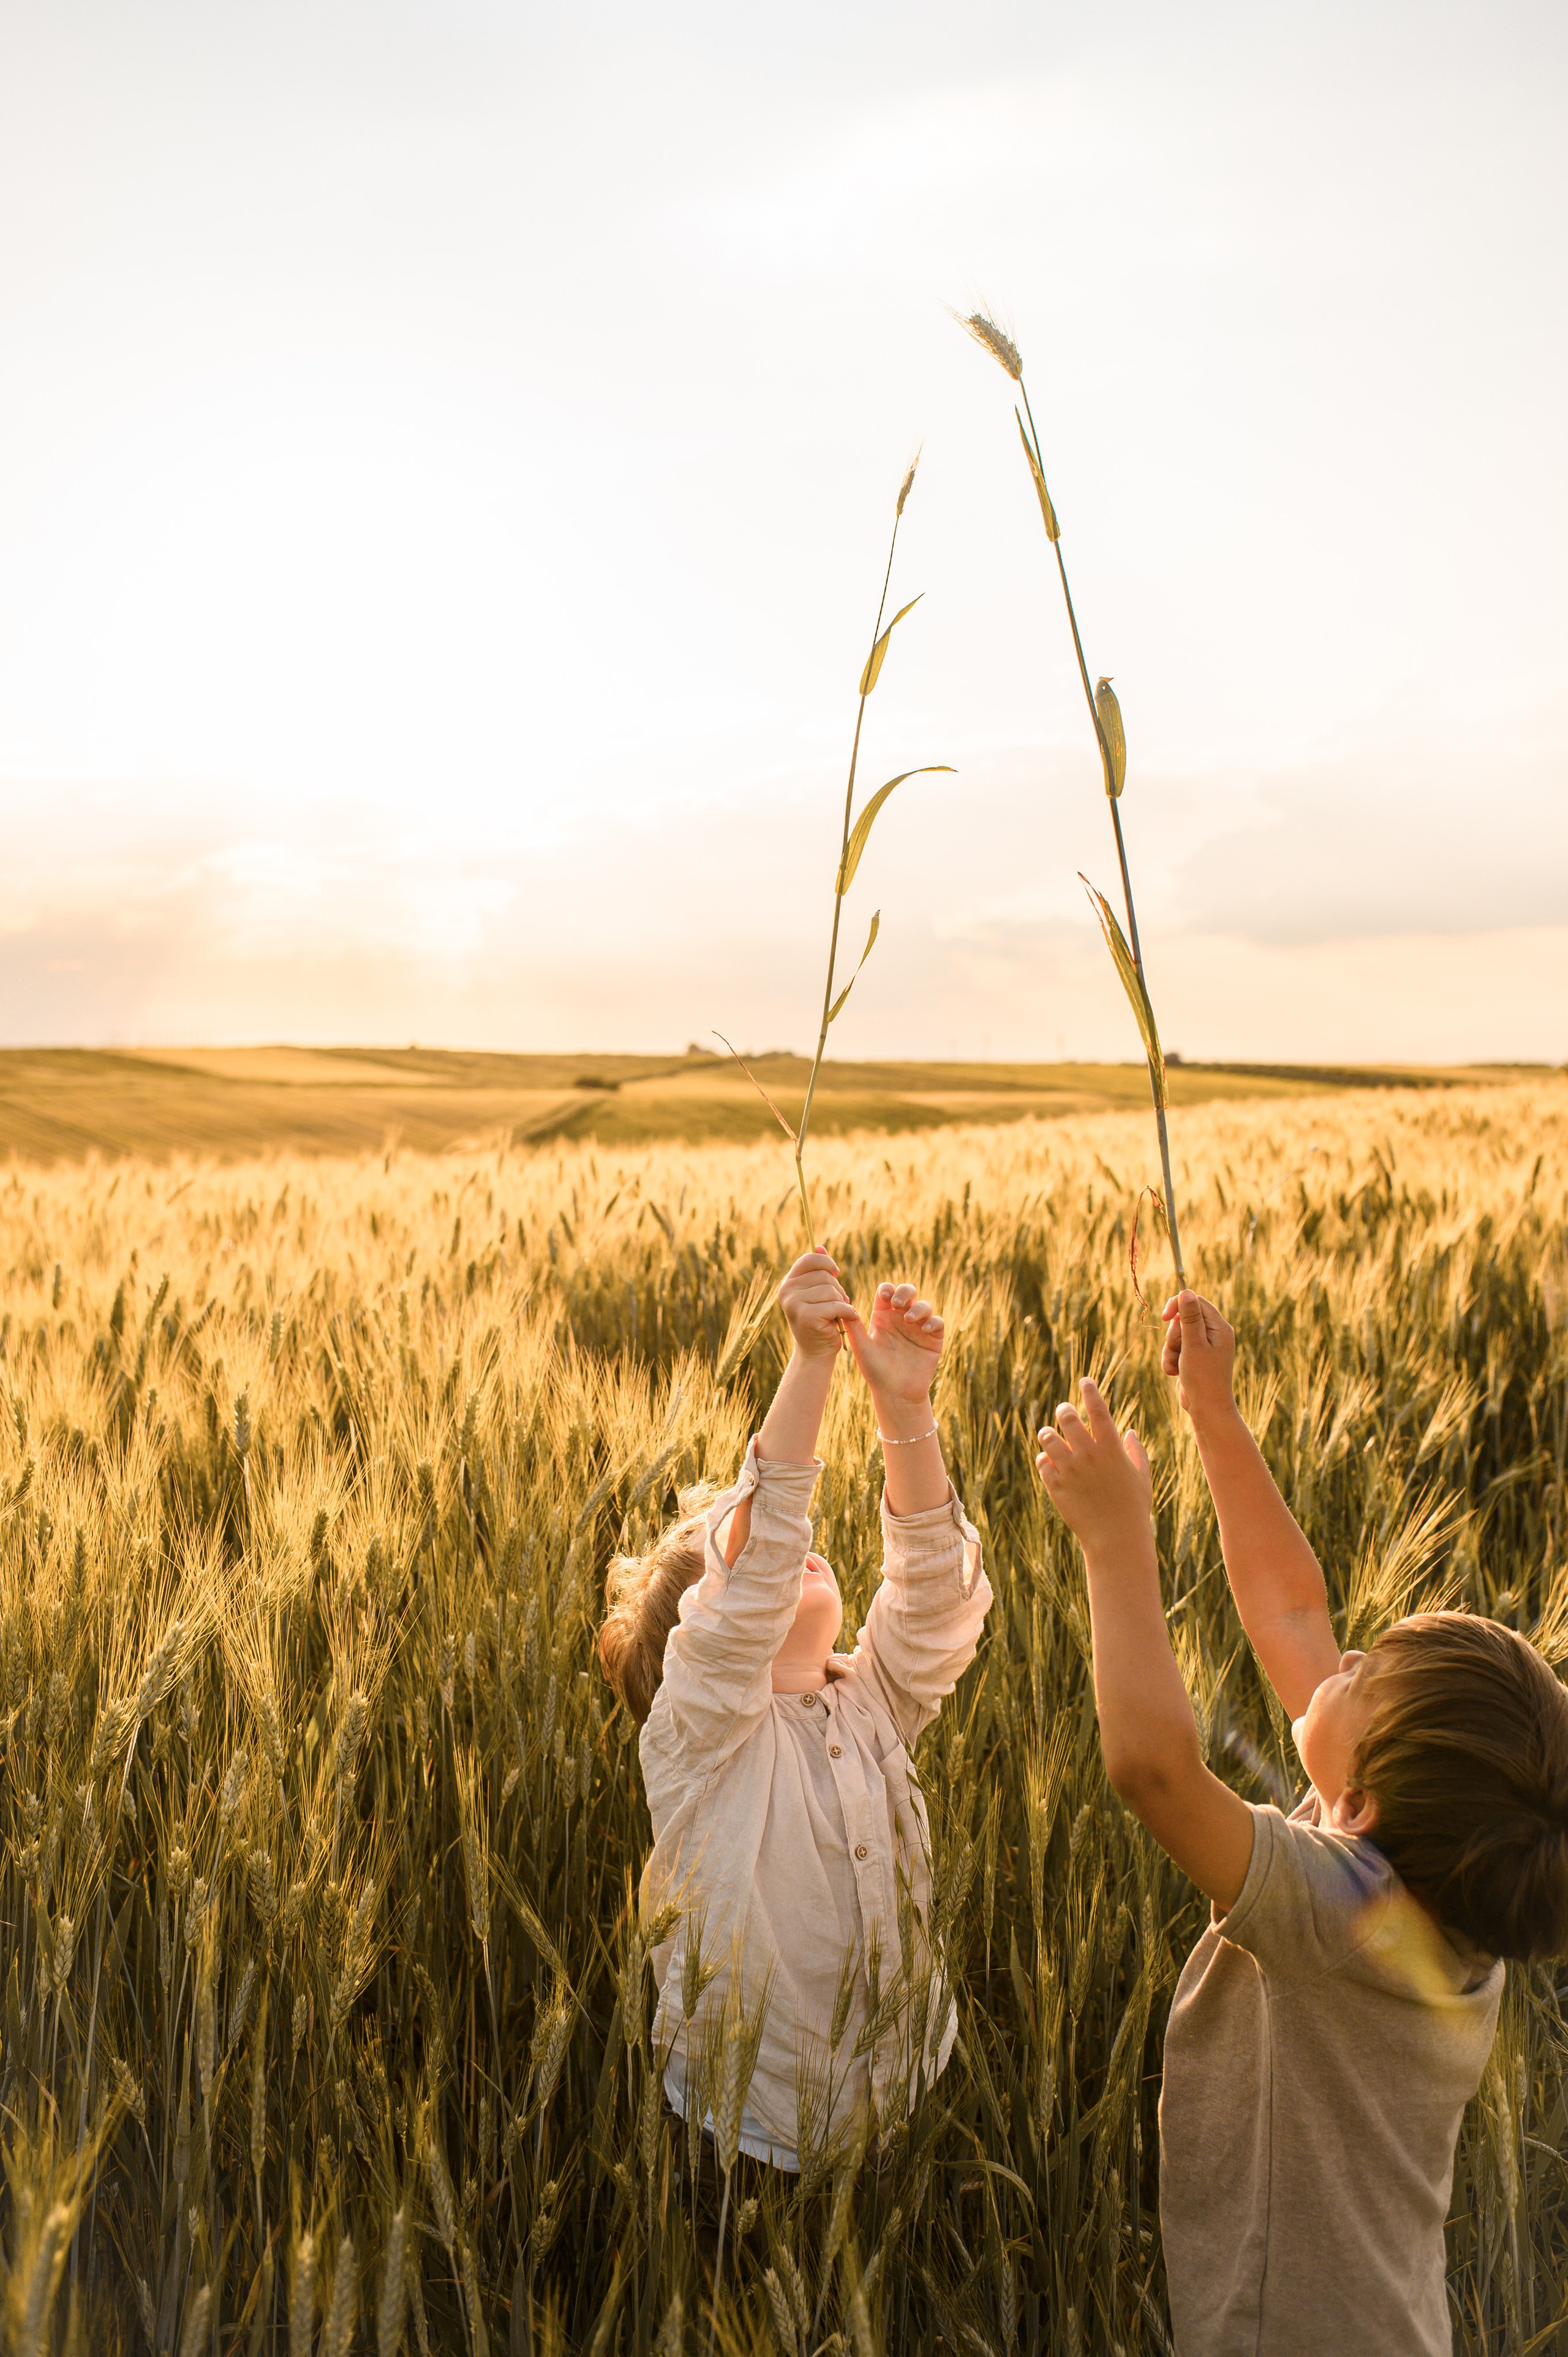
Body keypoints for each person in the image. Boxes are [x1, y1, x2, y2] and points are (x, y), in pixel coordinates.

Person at [1035, 1287, 1568, 2357]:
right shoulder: (1430, 1885)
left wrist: (1115, 1542)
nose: (1346, 1658)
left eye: (1360, 1677)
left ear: (1362, 1800)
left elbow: (1155, 1772)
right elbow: (1292, 1612)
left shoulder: (1340, 1914)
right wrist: (1214, 1421)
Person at [598, 1249, 992, 2169]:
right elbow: (753, 1578)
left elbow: (937, 1600)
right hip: (754, 2127)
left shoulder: (870, 1700)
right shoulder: (706, 1740)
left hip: (904, 2084)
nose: (790, 1550)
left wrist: (905, 1407)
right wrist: (810, 1365)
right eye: (728, 1549)